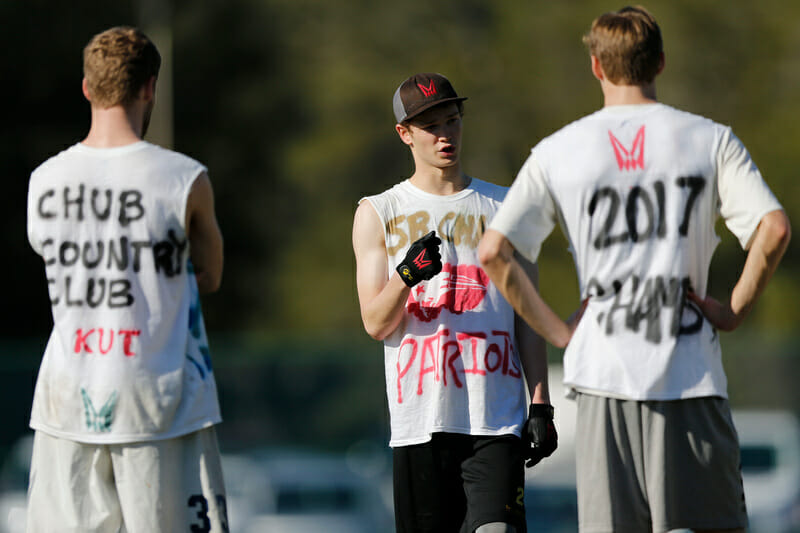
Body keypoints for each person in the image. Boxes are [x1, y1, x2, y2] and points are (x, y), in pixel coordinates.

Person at [479, 6, 791, 533]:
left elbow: (493, 252)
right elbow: (775, 229)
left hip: (603, 375)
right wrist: (734, 309)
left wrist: (559, 332)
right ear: (661, 62)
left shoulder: (560, 150)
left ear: (596, 67)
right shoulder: (708, 138)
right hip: (691, 371)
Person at [25, 26, 228, 532]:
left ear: (88, 88)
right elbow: (211, 275)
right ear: (149, 88)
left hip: (66, 394)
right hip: (160, 398)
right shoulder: (185, 178)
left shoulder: (44, 179)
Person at [352, 72, 558, 533]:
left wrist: (540, 403)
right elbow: (374, 322)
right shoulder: (378, 211)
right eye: (431, 126)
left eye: (452, 120)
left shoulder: (506, 208)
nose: (446, 134)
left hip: (495, 419)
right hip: (420, 421)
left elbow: (529, 315)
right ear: (405, 134)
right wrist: (406, 276)